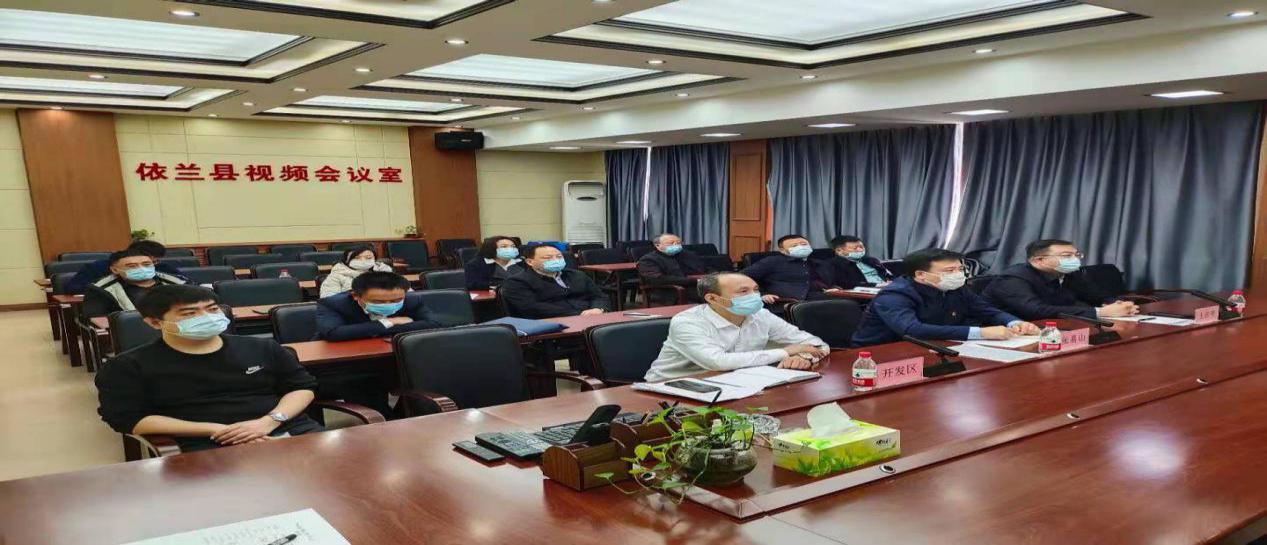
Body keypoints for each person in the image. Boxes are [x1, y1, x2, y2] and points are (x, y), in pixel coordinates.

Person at [95, 285, 322, 452]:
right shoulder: (128, 365)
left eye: (212, 309)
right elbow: (128, 419)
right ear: (155, 322)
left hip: (281, 428)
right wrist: (219, 430)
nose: (206, 317)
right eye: (190, 313)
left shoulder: (262, 347)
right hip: (203, 441)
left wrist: (268, 422)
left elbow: (302, 387)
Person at [645, 272, 830, 381]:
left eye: (756, 290)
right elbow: (718, 362)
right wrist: (786, 352)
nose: (754, 296)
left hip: (735, 381)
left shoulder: (761, 315)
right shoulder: (688, 322)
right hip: (673, 385)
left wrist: (802, 356)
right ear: (713, 298)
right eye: (743, 291)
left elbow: (817, 344)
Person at [851, 248, 1040, 346]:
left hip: (938, 345)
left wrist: (1014, 323)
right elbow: (912, 330)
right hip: (882, 352)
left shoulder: (956, 288)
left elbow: (988, 311)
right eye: (950, 271)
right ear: (921, 275)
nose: (958, 275)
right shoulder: (895, 295)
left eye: (960, 269)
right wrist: (981, 333)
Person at [983, 239, 1139, 320]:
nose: (1075, 260)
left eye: (1076, 255)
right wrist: (1100, 312)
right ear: (1039, 261)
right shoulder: (1012, 279)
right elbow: (1037, 311)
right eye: (1066, 256)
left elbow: (1097, 295)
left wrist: (1118, 304)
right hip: (1010, 330)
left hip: (1057, 326)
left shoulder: (1071, 273)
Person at [315, 271, 442, 341]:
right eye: (378, 302)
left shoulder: (412, 299)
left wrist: (363, 330)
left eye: (396, 300)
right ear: (355, 296)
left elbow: (434, 324)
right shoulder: (332, 303)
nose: (389, 305)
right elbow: (334, 333)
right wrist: (390, 322)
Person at [499, 243, 609, 319]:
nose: (555, 260)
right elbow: (532, 308)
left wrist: (598, 309)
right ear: (530, 262)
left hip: (591, 316)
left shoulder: (577, 275)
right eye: (548, 258)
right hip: (552, 322)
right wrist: (579, 314)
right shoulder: (517, 282)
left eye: (559, 257)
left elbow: (599, 296)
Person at [82, 248, 187, 318]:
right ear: (115, 270)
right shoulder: (100, 289)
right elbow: (98, 318)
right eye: (132, 266)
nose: (141, 268)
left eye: (146, 264)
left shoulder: (178, 282)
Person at [741, 234, 836, 303]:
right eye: (794, 246)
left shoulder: (819, 263)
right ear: (783, 251)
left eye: (804, 244)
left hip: (823, 299)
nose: (801, 247)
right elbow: (741, 277)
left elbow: (830, 282)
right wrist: (761, 294)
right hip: (789, 303)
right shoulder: (772, 261)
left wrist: (833, 289)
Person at [66, 240, 185, 294]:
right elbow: (72, 288)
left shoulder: (161, 267)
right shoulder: (97, 267)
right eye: (134, 264)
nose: (150, 266)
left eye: (154, 262)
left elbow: (185, 283)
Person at [636, 233, 715, 304]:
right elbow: (658, 279)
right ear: (657, 245)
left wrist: (715, 276)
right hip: (671, 290)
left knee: (718, 290)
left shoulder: (688, 254)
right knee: (712, 296)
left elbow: (705, 268)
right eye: (671, 243)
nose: (676, 245)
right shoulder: (648, 260)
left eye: (678, 243)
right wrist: (693, 281)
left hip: (699, 285)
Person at [319, 245, 395, 298]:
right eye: (357, 258)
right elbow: (328, 299)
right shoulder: (336, 275)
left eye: (368, 258)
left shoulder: (385, 272)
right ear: (346, 261)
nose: (363, 260)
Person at [827, 235, 894, 289]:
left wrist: (893, 282)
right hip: (865, 292)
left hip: (888, 288)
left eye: (861, 247)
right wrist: (877, 285)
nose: (860, 250)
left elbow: (888, 274)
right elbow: (846, 284)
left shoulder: (871, 260)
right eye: (855, 248)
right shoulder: (833, 264)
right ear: (839, 251)